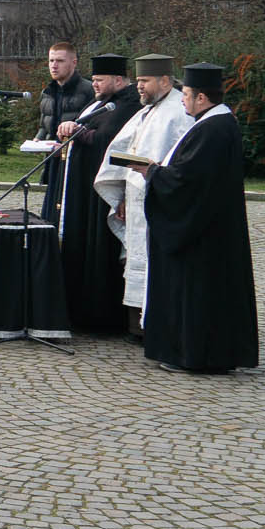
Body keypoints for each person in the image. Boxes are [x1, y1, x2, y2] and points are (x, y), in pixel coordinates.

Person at [123, 63, 258, 374]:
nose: (182, 100)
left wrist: (152, 171)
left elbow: (188, 182)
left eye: (185, 95)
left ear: (201, 98)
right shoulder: (214, 124)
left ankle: (195, 354)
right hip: (209, 228)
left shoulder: (214, 128)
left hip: (202, 234)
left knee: (198, 294)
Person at [93, 54, 192, 336]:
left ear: (164, 81)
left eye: (145, 81)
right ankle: (138, 326)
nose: (139, 86)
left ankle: (156, 327)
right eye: (137, 80)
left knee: (153, 264)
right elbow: (123, 150)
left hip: (160, 202)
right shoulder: (147, 110)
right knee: (137, 259)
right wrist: (122, 193)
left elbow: (174, 163)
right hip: (137, 202)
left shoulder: (177, 112)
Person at [46, 53, 140, 334]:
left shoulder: (128, 104)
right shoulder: (99, 102)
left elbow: (106, 140)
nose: (95, 84)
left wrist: (76, 132)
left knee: (100, 254)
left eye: (100, 80)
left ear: (118, 79)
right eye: (94, 80)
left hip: (102, 196)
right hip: (80, 191)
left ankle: (101, 317)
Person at [36, 41, 94, 213]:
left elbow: (92, 128)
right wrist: (38, 140)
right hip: (53, 161)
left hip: (76, 163)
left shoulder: (89, 90)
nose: (54, 66)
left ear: (74, 62)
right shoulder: (47, 92)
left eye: (60, 61)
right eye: (51, 60)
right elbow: (44, 126)